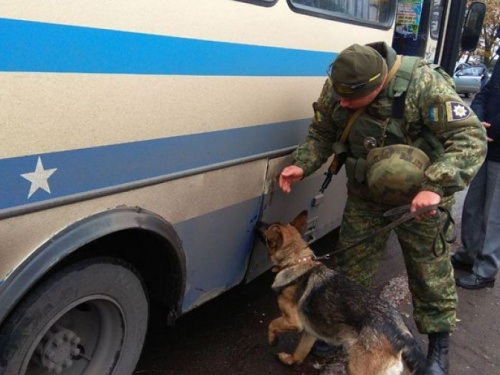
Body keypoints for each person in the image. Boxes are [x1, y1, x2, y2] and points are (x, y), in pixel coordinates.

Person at [279, 42, 487, 375]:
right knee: (349, 271)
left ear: (377, 86)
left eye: (351, 99)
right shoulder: (341, 87)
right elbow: (322, 132)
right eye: (340, 95)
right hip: (367, 196)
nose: (343, 103)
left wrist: (436, 185)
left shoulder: (423, 85)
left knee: (429, 274)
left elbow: (470, 138)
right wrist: (303, 164)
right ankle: (335, 333)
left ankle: (437, 347)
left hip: (421, 201)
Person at [452, 59, 500, 290]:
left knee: (494, 216)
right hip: (486, 147)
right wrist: (478, 120)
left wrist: (493, 128)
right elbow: (484, 92)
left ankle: (485, 271)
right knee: (473, 206)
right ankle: (469, 254)